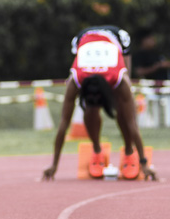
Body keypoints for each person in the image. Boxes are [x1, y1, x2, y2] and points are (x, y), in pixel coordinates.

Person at [43, 25, 157, 181]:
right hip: (83, 38)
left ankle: (129, 152)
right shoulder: (75, 81)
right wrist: (54, 165)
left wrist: (144, 163)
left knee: (124, 109)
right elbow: (64, 123)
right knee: (90, 110)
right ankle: (97, 150)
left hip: (118, 39)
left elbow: (133, 124)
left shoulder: (119, 78)